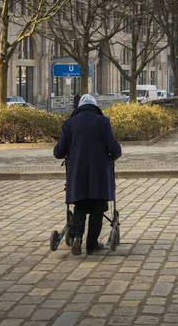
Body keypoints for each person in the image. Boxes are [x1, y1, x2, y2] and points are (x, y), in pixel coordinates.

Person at [53, 94, 122, 255]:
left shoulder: (68, 124)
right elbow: (114, 148)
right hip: (99, 173)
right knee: (99, 206)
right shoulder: (103, 122)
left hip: (77, 172)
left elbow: (58, 152)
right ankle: (91, 244)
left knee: (80, 204)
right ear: (95, 106)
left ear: (79, 108)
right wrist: (115, 154)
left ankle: (77, 238)